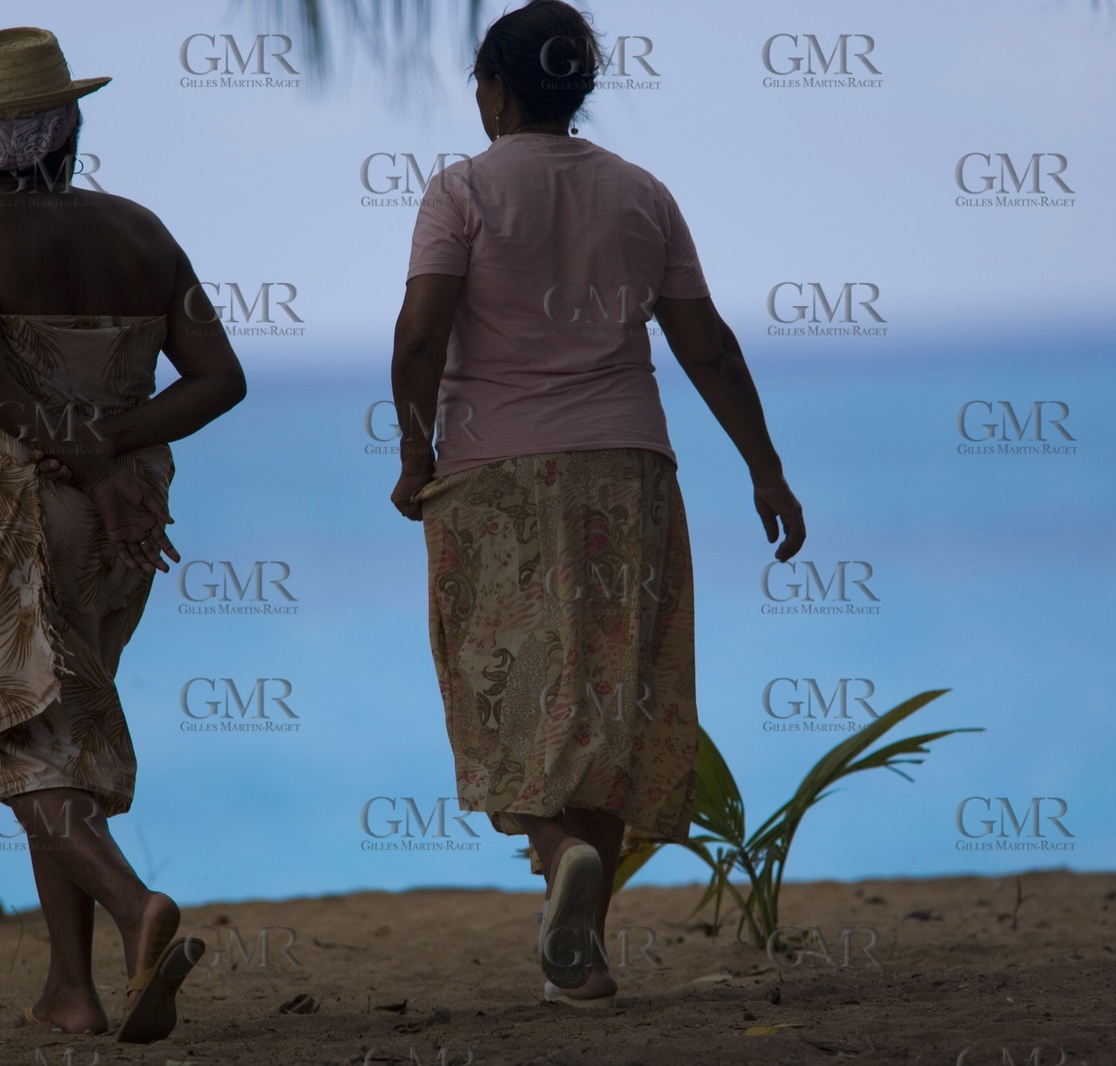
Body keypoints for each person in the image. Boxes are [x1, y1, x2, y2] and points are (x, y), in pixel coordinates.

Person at [390, 0, 805, 1009]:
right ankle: (583, 953)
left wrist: (412, 450)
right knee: (612, 697)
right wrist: (764, 467)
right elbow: (705, 344)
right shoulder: (640, 194)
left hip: (493, 475)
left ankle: (556, 846)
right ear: (577, 87)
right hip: (627, 469)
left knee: (497, 686)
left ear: (494, 89)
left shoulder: (462, 190)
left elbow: (418, 337)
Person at [0, 27, 245, 1042]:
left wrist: (87, 463)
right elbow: (218, 378)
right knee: (58, 728)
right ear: (70, 127)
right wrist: (116, 453)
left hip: (28, 512)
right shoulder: (142, 233)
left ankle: (128, 900)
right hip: (131, 522)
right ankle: (72, 987)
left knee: (16, 726)